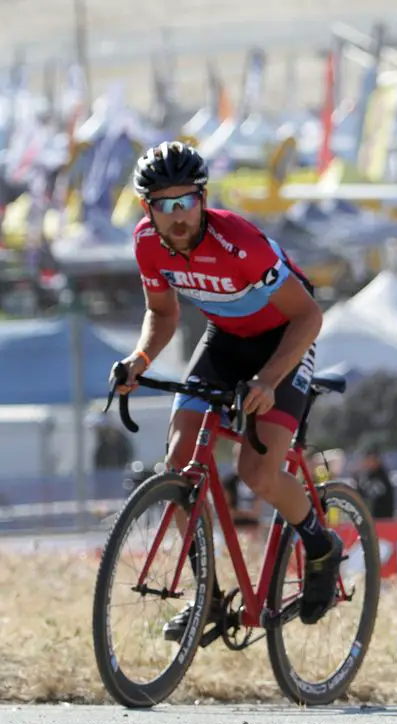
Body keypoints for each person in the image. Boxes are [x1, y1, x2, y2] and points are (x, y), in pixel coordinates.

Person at [115, 141, 341, 642]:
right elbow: (163, 313)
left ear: (203, 197)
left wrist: (268, 380)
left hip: (283, 341)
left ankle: (321, 543)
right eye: (164, 205)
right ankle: (209, 598)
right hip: (224, 341)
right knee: (178, 465)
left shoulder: (239, 242)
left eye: (186, 202)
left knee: (257, 472)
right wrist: (141, 359)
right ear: (146, 208)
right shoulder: (147, 243)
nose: (177, 217)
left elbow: (309, 316)